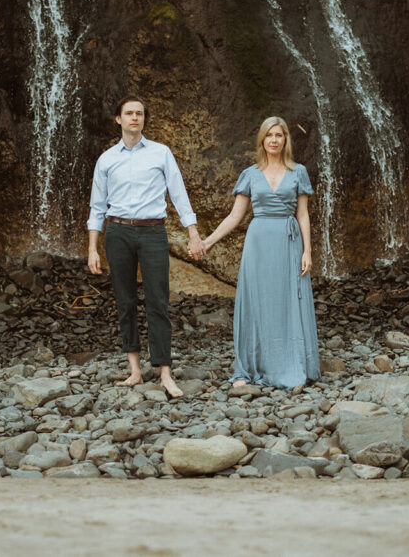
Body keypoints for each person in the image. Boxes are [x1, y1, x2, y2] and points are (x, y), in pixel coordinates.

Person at [87, 95, 205, 398]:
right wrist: (92, 248)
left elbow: (179, 195)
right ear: (119, 119)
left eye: (139, 113)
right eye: (129, 113)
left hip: (153, 232)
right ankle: (135, 370)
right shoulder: (106, 159)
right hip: (117, 232)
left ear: (143, 119)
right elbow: (97, 207)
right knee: (124, 301)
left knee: (158, 301)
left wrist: (193, 234)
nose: (134, 118)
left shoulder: (161, 153)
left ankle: (164, 372)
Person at [201, 117, 320, 389]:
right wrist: (208, 242)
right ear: (262, 140)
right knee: (256, 302)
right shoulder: (251, 174)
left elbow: (303, 215)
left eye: (279, 135)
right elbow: (234, 217)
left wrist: (307, 251)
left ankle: (291, 363)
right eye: (270, 135)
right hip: (258, 243)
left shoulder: (298, 171)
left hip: (288, 242)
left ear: (286, 140)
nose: (274, 140)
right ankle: (249, 368)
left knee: (287, 301)